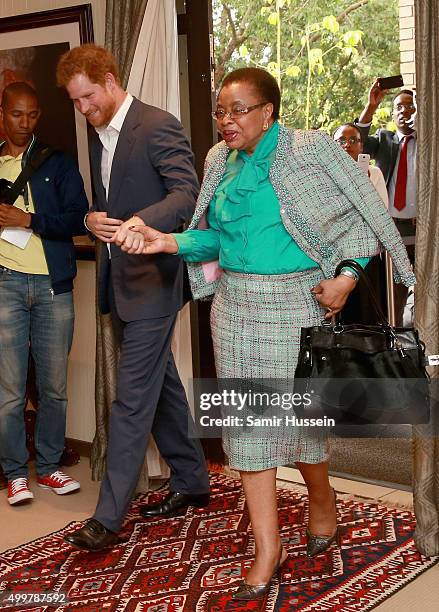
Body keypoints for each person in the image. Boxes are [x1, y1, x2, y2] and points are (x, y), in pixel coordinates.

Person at [117, 68, 415, 600]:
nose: (225, 121)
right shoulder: (216, 161)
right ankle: (268, 546)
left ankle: (321, 499)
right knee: (246, 431)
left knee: (300, 424)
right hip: (233, 308)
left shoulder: (311, 152)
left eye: (237, 110)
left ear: (267, 112)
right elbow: (213, 239)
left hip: (298, 303)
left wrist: (346, 279)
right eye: (220, 112)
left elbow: (357, 221)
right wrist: (166, 242)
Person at [56, 44, 209, 552]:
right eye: (76, 102)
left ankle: (108, 516)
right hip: (118, 280)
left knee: (131, 398)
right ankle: (191, 479)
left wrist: (147, 220)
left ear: (110, 79)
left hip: (154, 280)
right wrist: (90, 220)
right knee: (159, 382)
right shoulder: (98, 133)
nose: (83, 109)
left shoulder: (156, 123)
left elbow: (185, 195)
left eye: (88, 98)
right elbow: (106, 204)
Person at [0, 82, 88, 505]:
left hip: (54, 286)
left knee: (54, 386)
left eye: (33, 115)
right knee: (11, 388)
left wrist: (27, 219)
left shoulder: (58, 162)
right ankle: (16, 473)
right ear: (3, 113)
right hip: (5, 285)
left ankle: (50, 467)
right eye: (18, 114)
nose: (25, 123)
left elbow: (78, 218)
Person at [355, 80, 417, 325]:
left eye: (410, 106)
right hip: (393, 231)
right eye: (399, 107)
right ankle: (399, 348)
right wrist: (371, 106)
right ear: (392, 114)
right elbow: (355, 138)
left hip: (424, 229)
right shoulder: (384, 140)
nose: (405, 111)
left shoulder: (429, 143)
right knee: (396, 295)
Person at [333, 122, 388, 324]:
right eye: (341, 141)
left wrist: (363, 183)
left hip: (367, 253)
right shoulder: (325, 175)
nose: (347, 145)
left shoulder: (374, 174)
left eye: (353, 140)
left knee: (368, 313)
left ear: (361, 146)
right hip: (337, 253)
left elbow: (382, 213)